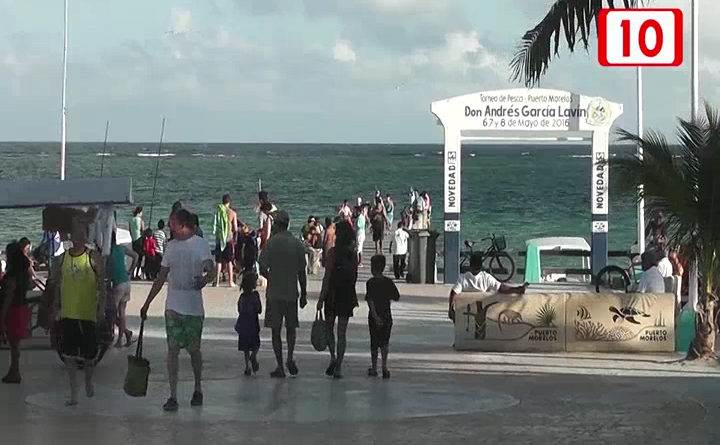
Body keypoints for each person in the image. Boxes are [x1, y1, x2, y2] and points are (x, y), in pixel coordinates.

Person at [140, 209, 215, 412]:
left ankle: (197, 388)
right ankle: (173, 395)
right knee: (172, 350)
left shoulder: (200, 244)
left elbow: (211, 269)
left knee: (194, 351)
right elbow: (161, 277)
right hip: (172, 306)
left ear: (183, 225)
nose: (169, 227)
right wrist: (147, 303)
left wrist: (205, 279)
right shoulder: (171, 247)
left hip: (193, 308)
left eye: (173, 224)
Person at [49, 217, 107, 406]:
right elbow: (57, 284)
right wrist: (55, 306)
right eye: (74, 233)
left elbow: (102, 286)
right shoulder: (62, 258)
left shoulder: (93, 257)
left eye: (81, 233)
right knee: (69, 355)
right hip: (69, 313)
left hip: (88, 313)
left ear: (86, 236)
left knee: (89, 357)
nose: (77, 237)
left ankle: (88, 381)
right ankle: (74, 391)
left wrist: (102, 308)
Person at [258, 210, 308, 378]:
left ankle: (280, 365)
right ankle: (290, 357)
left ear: (277, 225)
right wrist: (304, 293)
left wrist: (271, 277)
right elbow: (302, 272)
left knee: (276, 331)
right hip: (292, 292)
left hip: (274, 293)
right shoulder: (296, 243)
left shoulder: (271, 243)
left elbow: (262, 266)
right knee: (291, 328)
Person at [317, 221, 358, 379]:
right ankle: (339, 367)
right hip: (346, 294)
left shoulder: (333, 253)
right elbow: (354, 276)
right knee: (342, 333)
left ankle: (333, 357)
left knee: (329, 329)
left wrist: (321, 298)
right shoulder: (353, 255)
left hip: (332, 294)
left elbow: (327, 277)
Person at [448, 252, 527, 322]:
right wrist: (517, 290)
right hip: (483, 315)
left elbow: (453, 293)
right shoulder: (486, 278)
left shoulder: (463, 278)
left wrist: (451, 309)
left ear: (470, 266)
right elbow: (501, 288)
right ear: (481, 266)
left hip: (467, 314)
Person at [0, 242, 32, 384]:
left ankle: (14, 371)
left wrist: (2, 316)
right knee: (15, 344)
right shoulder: (24, 274)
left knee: (13, 344)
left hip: (12, 310)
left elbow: (8, 297)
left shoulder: (11, 276)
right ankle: (14, 370)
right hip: (22, 308)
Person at [365, 255, 399, 379]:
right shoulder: (388, 282)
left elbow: (370, 301)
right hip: (386, 315)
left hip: (374, 317)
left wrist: (375, 316)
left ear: (372, 268)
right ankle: (384, 367)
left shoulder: (370, 283)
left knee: (374, 342)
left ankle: (374, 368)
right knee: (385, 342)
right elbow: (396, 296)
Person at [108, 231, 138, 348]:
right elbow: (136, 256)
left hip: (118, 284)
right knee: (122, 312)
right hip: (126, 281)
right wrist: (130, 271)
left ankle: (118, 335)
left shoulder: (107, 251)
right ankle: (121, 338)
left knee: (111, 312)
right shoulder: (121, 248)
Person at [235, 272, 261, 377]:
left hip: (243, 323)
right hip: (253, 322)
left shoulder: (242, 296)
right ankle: (253, 355)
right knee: (256, 343)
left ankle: (247, 367)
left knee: (245, 347)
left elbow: (239, 309)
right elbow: (259, 309)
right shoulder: (255, 295)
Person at [213, 194, 238, 288]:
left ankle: (217, 282)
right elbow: (235, 228)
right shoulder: (232, 213)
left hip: (219, 239)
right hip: (228, 239)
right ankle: (230, 282)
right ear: (229, 202)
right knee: (229, 261)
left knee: (218, 261)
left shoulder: (218, 212)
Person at [129, 206, 145, 280]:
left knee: (135, 257)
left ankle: (132, 274)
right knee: (140, 258)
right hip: (139, 240)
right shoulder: (140, 220)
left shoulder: (131, 220)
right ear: (140, 212)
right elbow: (143, 230)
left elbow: (130, 230)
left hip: (133, 240)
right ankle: (137, 274)